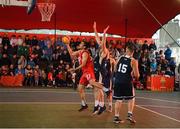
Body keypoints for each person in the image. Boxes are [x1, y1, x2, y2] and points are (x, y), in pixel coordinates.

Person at [63, 36, 103, 112]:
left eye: (81, 43)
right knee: (80, 88)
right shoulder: (80, 52)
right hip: (84, 72)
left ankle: (103, 94)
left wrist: (74, 69)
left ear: (84, 46)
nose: (79, 44)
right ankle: (84, 104)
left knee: (95, 87)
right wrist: (67, 44)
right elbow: (71, 54)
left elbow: (84, 64)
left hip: (89, 72)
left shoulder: (85, 52)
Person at [113, 42, 139, 124]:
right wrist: (134, 74)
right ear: (133, 51)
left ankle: (116, 117)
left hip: (117, 81)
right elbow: (137, 75)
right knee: (131, 98)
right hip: (126, 81)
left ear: (126, 50)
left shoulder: (120, 57)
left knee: (118, 99)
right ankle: (129, 115)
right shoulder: (133, 61)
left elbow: (114, 69)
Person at [93, 22, 115, 114]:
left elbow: (103, 40)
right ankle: (99, 106)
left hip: (105, 72)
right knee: (98, 89)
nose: (100, 42)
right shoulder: (100, 48)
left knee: (107, 92)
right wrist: (94, 29)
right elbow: (97, 37)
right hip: (101, 71)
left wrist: (104, 33)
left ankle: (108, 106)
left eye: (102, 42)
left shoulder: (105, 50)